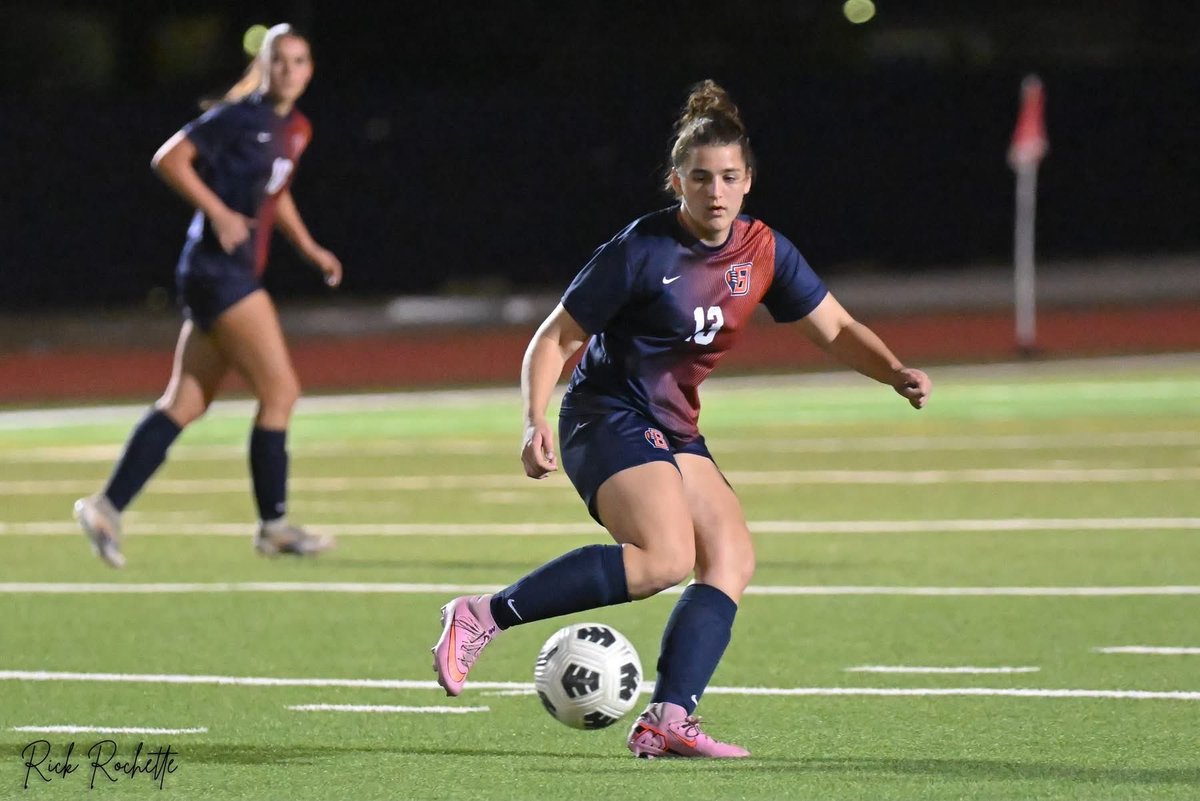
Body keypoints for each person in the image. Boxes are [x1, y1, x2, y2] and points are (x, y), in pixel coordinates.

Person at [432, 79, 931, 759]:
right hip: (603, 414)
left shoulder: (764, 252)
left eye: (729, 177)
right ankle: (480, 616)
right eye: (701, 178)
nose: (716, 191)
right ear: (677, 182)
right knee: (663, 558)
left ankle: (668, 716)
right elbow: (554, 338)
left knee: (730, 557)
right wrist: (532, 418)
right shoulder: (641, 250)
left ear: (748, 181)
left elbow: (836, 327)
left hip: (672, 424)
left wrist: (894, 371)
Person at [73, 24, 341, 568]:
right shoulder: (237, 117)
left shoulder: (296, 128)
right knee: (281, 392)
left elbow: (277, 191)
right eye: (280, 61)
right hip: (220, 272)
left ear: (310, 70)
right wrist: (217, 212)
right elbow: (169, 158)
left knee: (186, 402)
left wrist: (310, 248)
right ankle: (274, 526)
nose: (289, 70)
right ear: (263, 67)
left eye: (299, 61)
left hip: (227, 272)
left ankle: (106, 506)